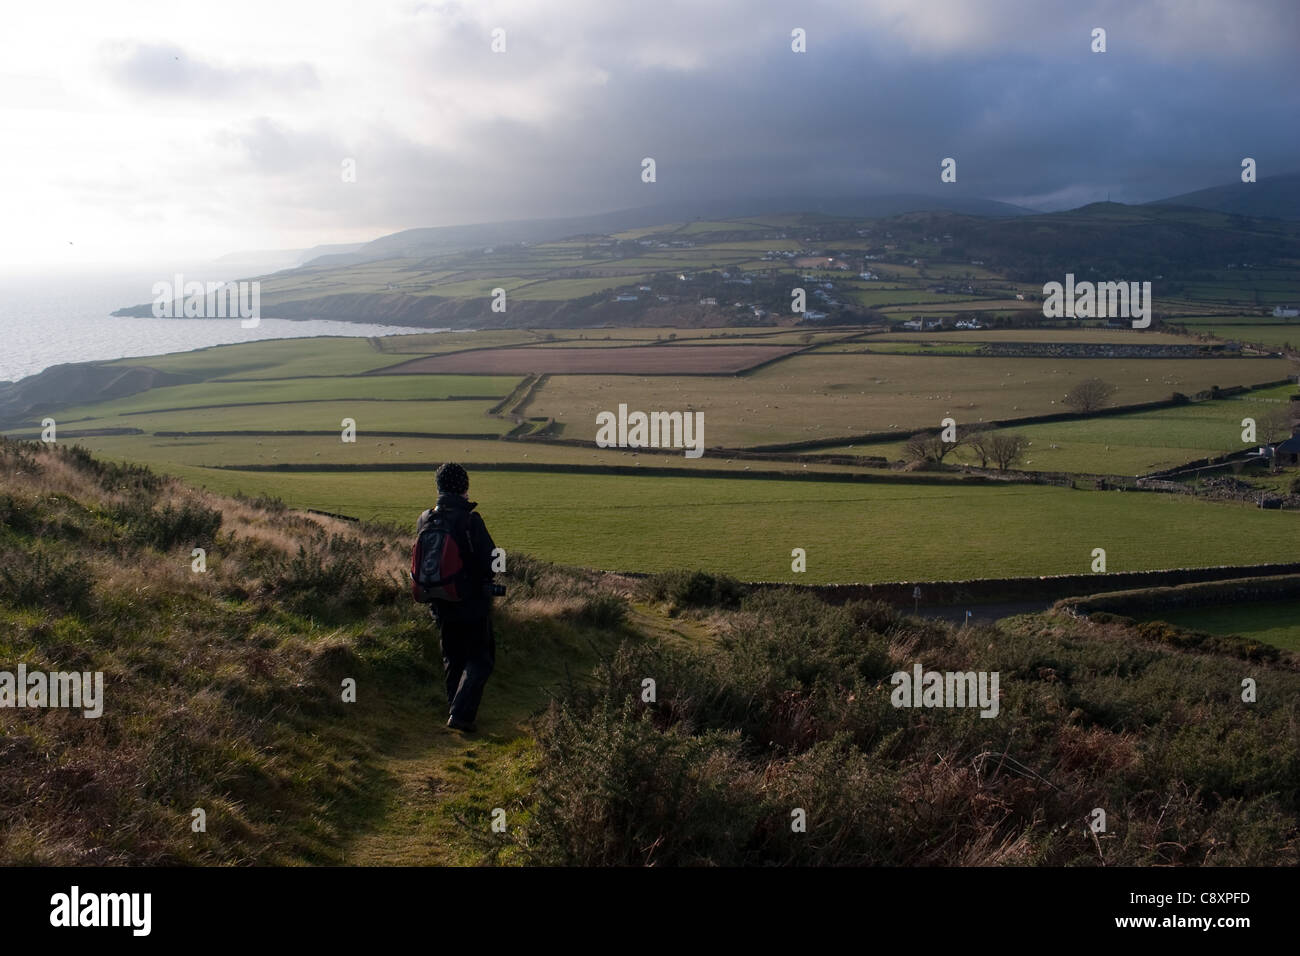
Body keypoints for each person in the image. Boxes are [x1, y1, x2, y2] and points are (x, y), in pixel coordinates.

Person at [418, 462, 498, 733]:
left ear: (438, 487)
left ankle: (455, 709)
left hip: (439, 598)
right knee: (481, 659)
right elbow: (490, 561)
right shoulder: (469, 521)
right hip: (471, 600)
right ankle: (460, 716)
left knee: (453, 657)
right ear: (464, 487)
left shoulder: (425, 518)